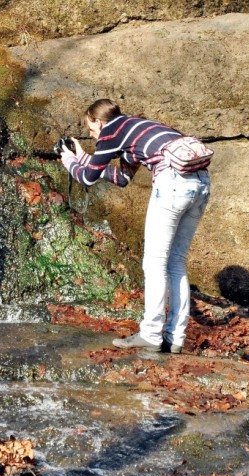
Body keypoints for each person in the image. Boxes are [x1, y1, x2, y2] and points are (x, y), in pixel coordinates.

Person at [58, 98, 211, 354]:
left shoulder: (111, 131)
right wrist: (84, 156)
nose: (94, 136)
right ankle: (175, 338)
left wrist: (68, 161)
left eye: (91, 129)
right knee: (175, 262)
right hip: (201, 184)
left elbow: (87, 177)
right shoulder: (138, 128)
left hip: (172, 185)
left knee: (154, 263)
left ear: (99, 120)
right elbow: (122, 178)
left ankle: (151, 334)